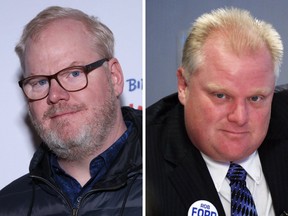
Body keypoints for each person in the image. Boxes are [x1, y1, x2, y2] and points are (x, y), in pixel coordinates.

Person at [0, 6, 142, 215]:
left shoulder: (169, 179)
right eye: (39, 82)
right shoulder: (7, 206)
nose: (55, 95)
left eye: (73, 73)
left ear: (115, 78)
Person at [146, 7, 288, 216]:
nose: (240, 117)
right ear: (184, 86)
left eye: (255, 98)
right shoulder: (144, 158)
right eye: (221, 96)